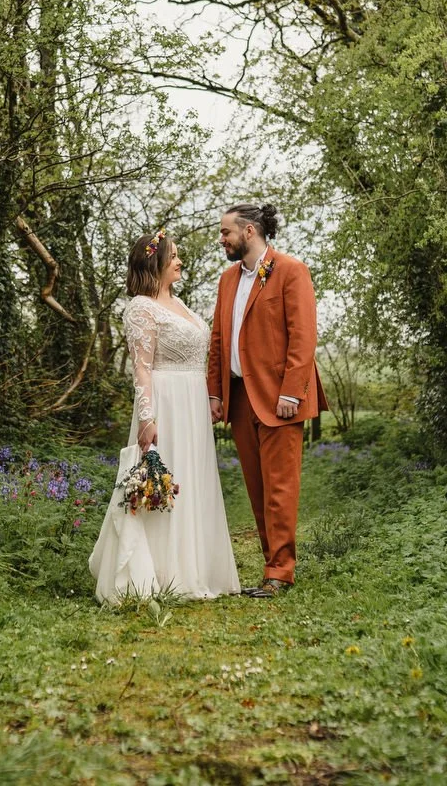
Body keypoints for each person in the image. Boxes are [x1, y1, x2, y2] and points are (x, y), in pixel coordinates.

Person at [88, 230, 242, 604]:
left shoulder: (181, 304)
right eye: (173, 256)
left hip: (192, 404)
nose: (179, 261)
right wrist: (146, 418)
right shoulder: (141, 308)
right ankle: (159, 572)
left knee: (191, 481)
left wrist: (208, 396)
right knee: (159, 483)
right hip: (165, 404)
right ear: (153, 262)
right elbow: (141, 369)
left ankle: (196, 569)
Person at [206, 203, 326, 598]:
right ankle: (269, 565)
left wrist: (292, 391)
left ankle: (280, 573)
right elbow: (219, 341)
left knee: (280, 489)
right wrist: (215, 393)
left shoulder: (292, 271)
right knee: (257, 489)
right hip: (240, 400)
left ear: (250, 231)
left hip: (280, 401)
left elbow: (303, 336)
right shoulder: (227, 280)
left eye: (226, 232)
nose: (221, 239)